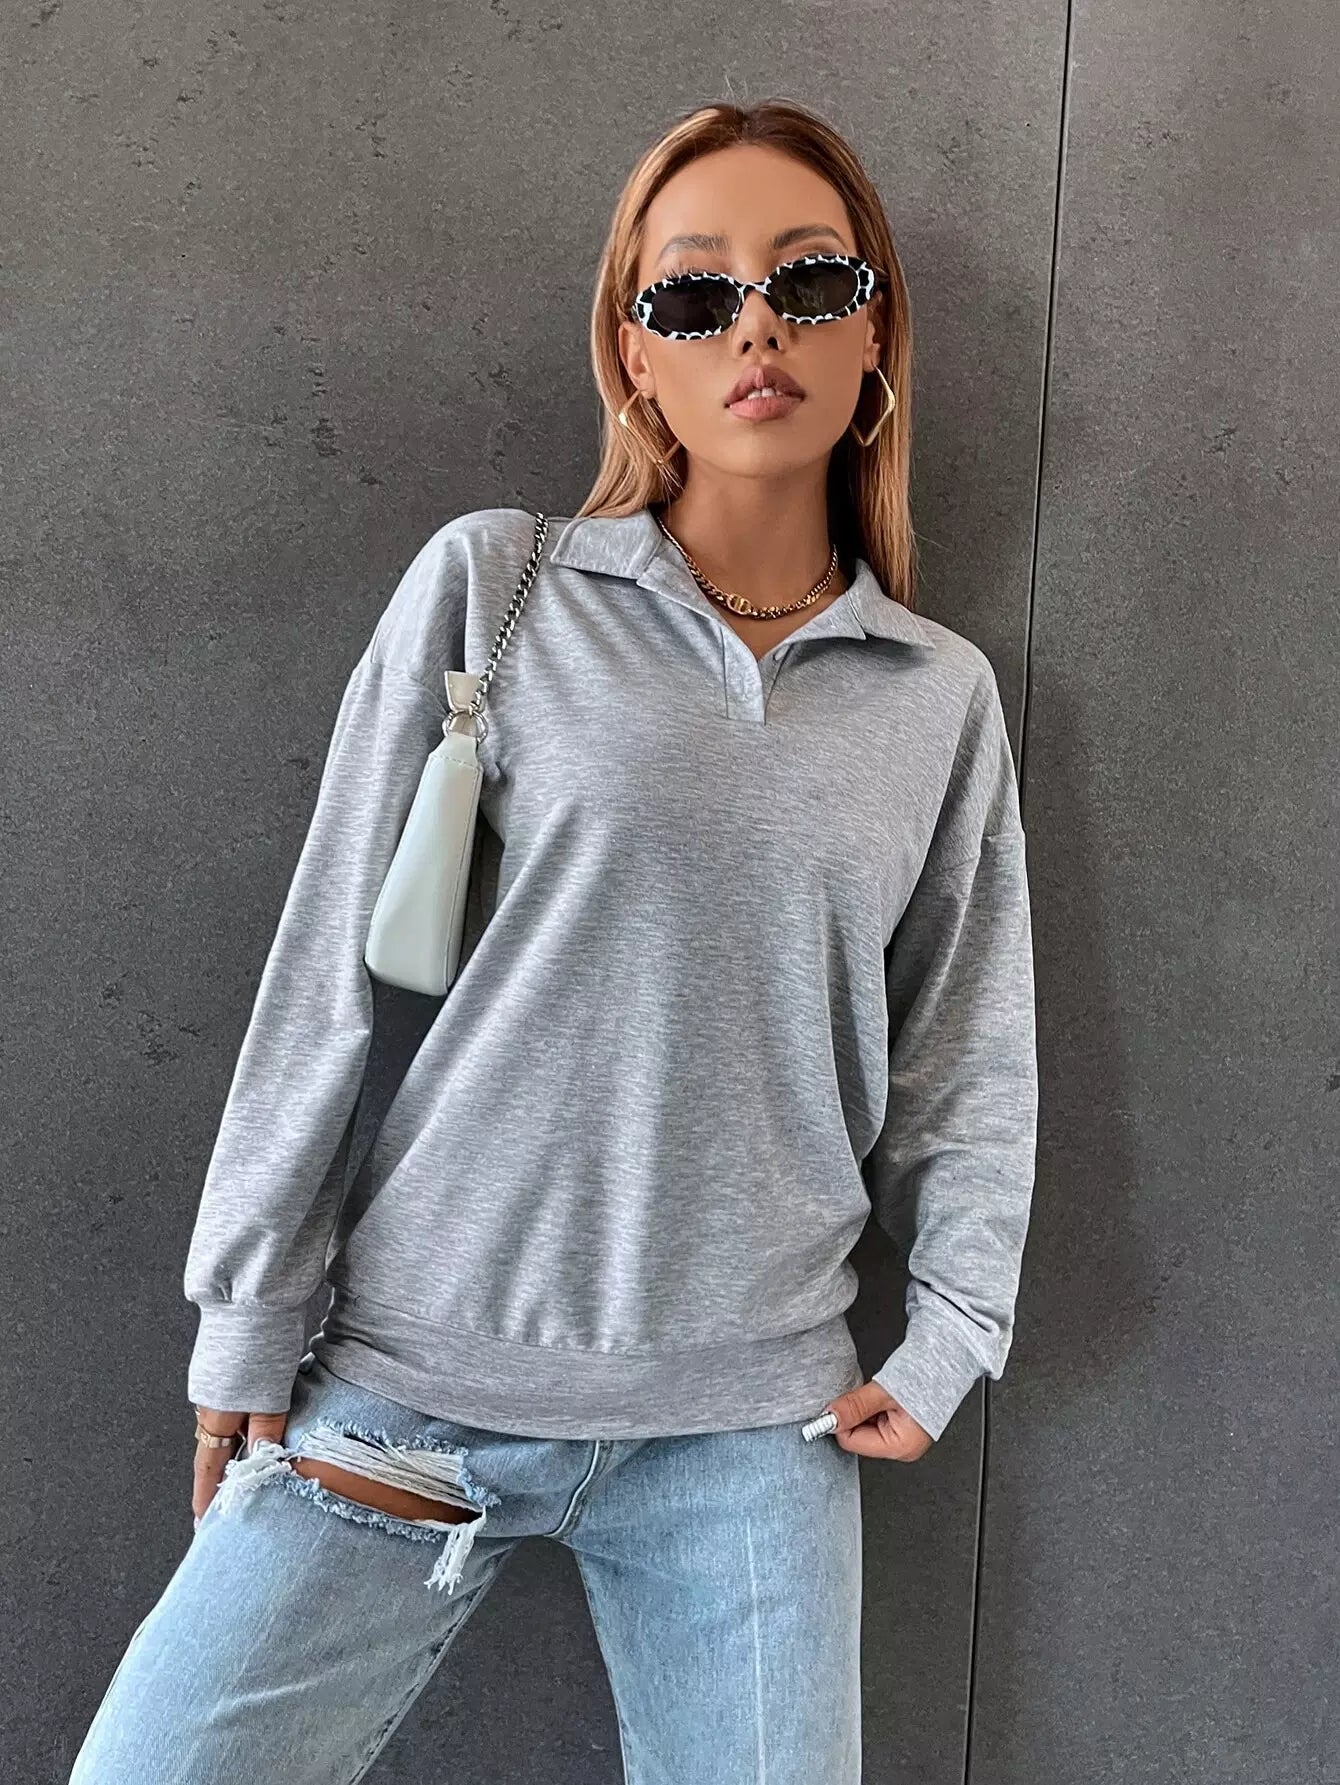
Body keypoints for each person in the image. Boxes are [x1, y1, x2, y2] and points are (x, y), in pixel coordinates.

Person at [69, 96, 1038, 1784]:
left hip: (753, 1428)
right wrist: (247, 1313)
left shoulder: (935, 695)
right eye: (695, 294)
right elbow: (325, 977)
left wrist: (954, 1325)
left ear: (874, 330)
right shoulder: (495, 587)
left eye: (811, 282)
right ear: (636, 355)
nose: (756, 328)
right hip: (415, 1381)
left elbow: (965, 1047)